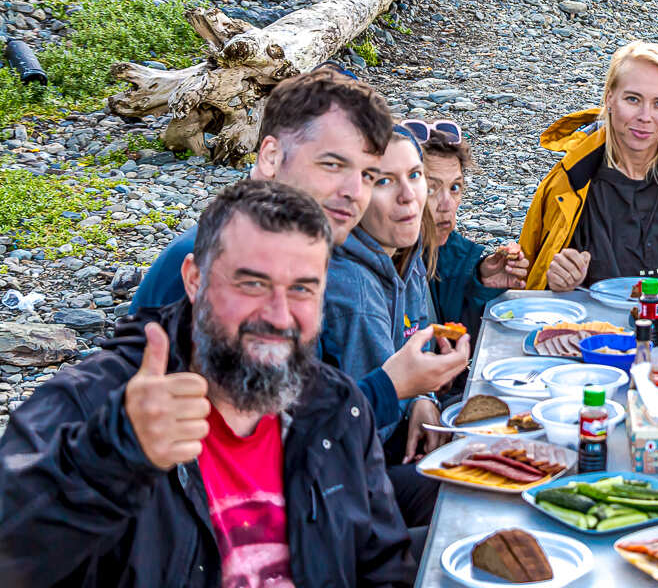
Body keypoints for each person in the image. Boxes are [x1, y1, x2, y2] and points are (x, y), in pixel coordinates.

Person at [0, 181, 415, 587]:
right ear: (194, 279)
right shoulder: (95, 403)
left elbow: (383, 568)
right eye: (252, 284)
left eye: (302, 289)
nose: (278, 315)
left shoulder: (337, 406)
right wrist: (113, 456)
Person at [128, 69, 464, 438]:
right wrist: (391, 387)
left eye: (368, 175)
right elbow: (271, 440)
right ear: (271, 157)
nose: (355, 192)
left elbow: (302, 404)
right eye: (333, 165)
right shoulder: (220, 261)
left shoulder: (297, 252)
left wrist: (417, 397)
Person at [321, 124, 468, 525]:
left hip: (392, 432)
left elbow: (415, 341)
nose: (409, 196)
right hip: (349, 481)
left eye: (415, 176)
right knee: (471, 487)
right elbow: (365, 425)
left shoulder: (405, 251)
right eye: (384, 181)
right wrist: (415, 393)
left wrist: (425, 398)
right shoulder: (353, 291)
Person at [519, 41, 658, 291]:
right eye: (633, 99)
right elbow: (523, 287)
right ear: (609, 99)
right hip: (595, 318)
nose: (645, 116)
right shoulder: (569, 182)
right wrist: (556, 285)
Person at [421, 125, 529, 340]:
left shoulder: (447, 254)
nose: (447, 205)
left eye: (454, 187)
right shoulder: (371, 274)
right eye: (430, 189)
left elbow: (455, 337)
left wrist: (481, 283)